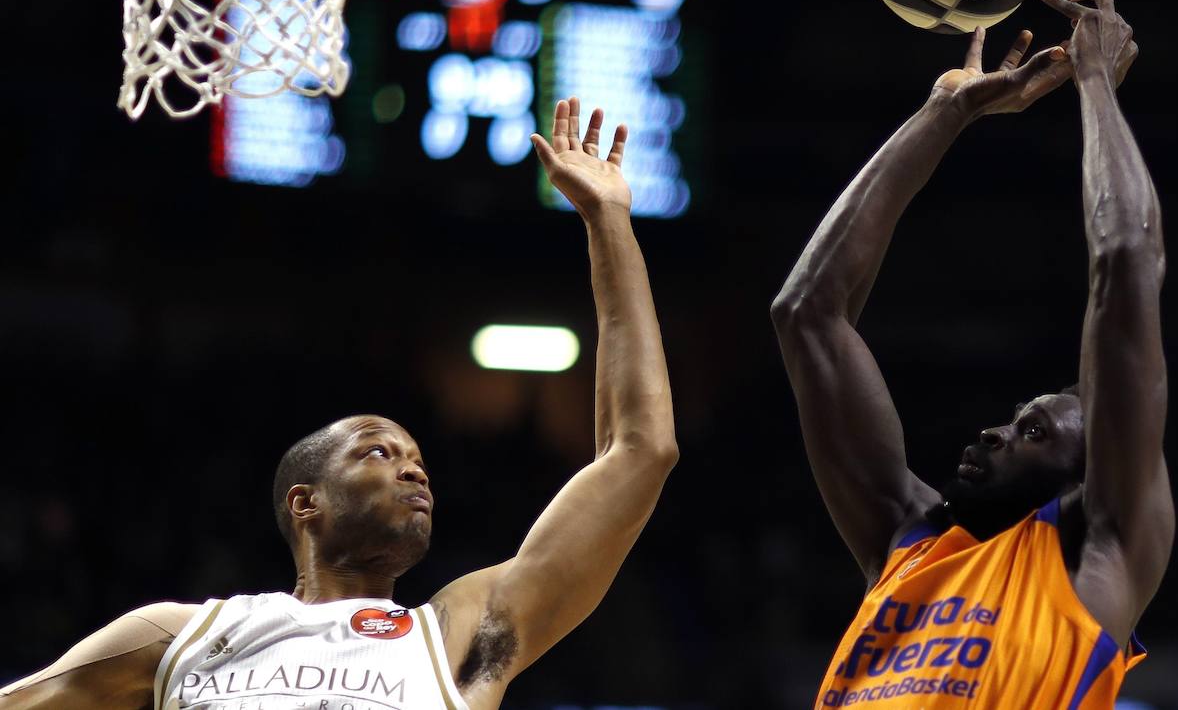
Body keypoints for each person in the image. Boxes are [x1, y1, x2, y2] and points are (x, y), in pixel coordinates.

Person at [0, 97, 678, 710]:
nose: (414, 471)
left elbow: (641, 451)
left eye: (418, 461)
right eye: (379, 452)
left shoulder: (458, 635)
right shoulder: (184, 634)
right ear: (306, 503)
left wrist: (607, 218)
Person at [771, 0, 1171, 708]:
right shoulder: (908, 543)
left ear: (1091, 475)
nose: (994, 430)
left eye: (1035, 430)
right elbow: (806, 312)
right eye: (1016, 419)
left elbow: (1126, 265)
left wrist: (1094, 82)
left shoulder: (1099, 553)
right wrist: (946, 112)